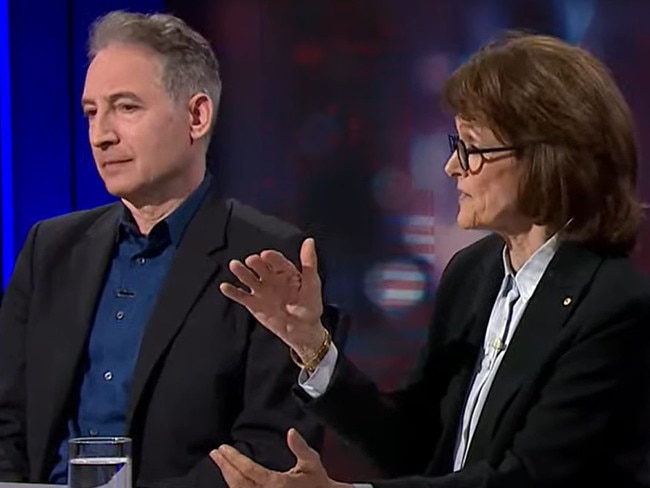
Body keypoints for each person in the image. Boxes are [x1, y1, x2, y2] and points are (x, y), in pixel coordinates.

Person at [211, 32, 650, 488]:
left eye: (472, 148)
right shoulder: (474, 273)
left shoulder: (614, 306)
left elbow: (527, 479)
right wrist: (310, 344)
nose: (453, 167)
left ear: (547, 157)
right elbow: (413, 448)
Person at [0, 10, 326, 488]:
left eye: (126, 107)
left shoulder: (269, 258)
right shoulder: (49, 249)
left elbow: (268, 444)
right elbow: (6, 419)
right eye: (91, 111)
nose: (100, 134)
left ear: (196, 117)